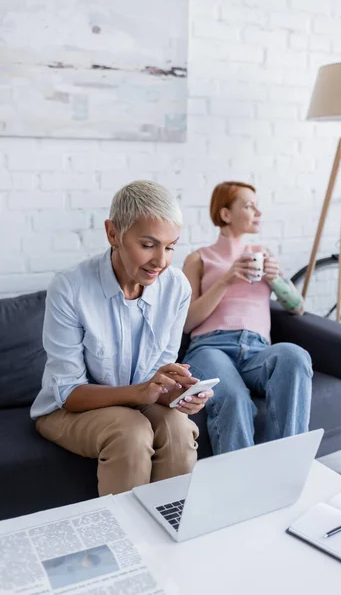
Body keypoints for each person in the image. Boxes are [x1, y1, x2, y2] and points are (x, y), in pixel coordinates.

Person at [31, 181, 213, 495]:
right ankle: (125, 542)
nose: (161, 260)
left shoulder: (176, 287)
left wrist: (177, 393)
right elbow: (68, 392)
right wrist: (141, 392)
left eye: (170, 247)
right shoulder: (70, 287)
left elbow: (159, 376)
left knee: (179, 428)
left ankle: (171, 531)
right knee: (130, 431)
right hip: (67, 410)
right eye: (148, 244)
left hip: (139, 402)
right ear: (113, 234)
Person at [182, 181, 312, 455]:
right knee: (235, 399)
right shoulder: (199, 258)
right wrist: (227, 279)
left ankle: (285, 467)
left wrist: (276, 280)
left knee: (296, 356)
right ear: (226, 214)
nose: (258, 212)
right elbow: (187, 322)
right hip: (210, 347)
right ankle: (239, 488)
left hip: (257, 352)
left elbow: (297, 307)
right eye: (249, 205)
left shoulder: (263, 255)